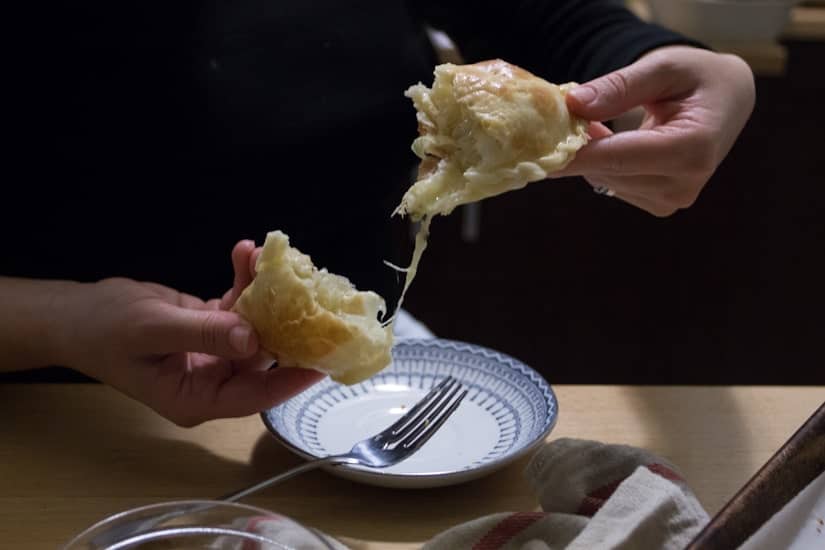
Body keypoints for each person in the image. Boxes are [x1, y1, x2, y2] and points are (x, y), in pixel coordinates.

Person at [0, 0, 755, 426]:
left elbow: (555, 19)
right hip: (45, 408)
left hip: (351, 380)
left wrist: (668, 64)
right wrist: (57, 323)